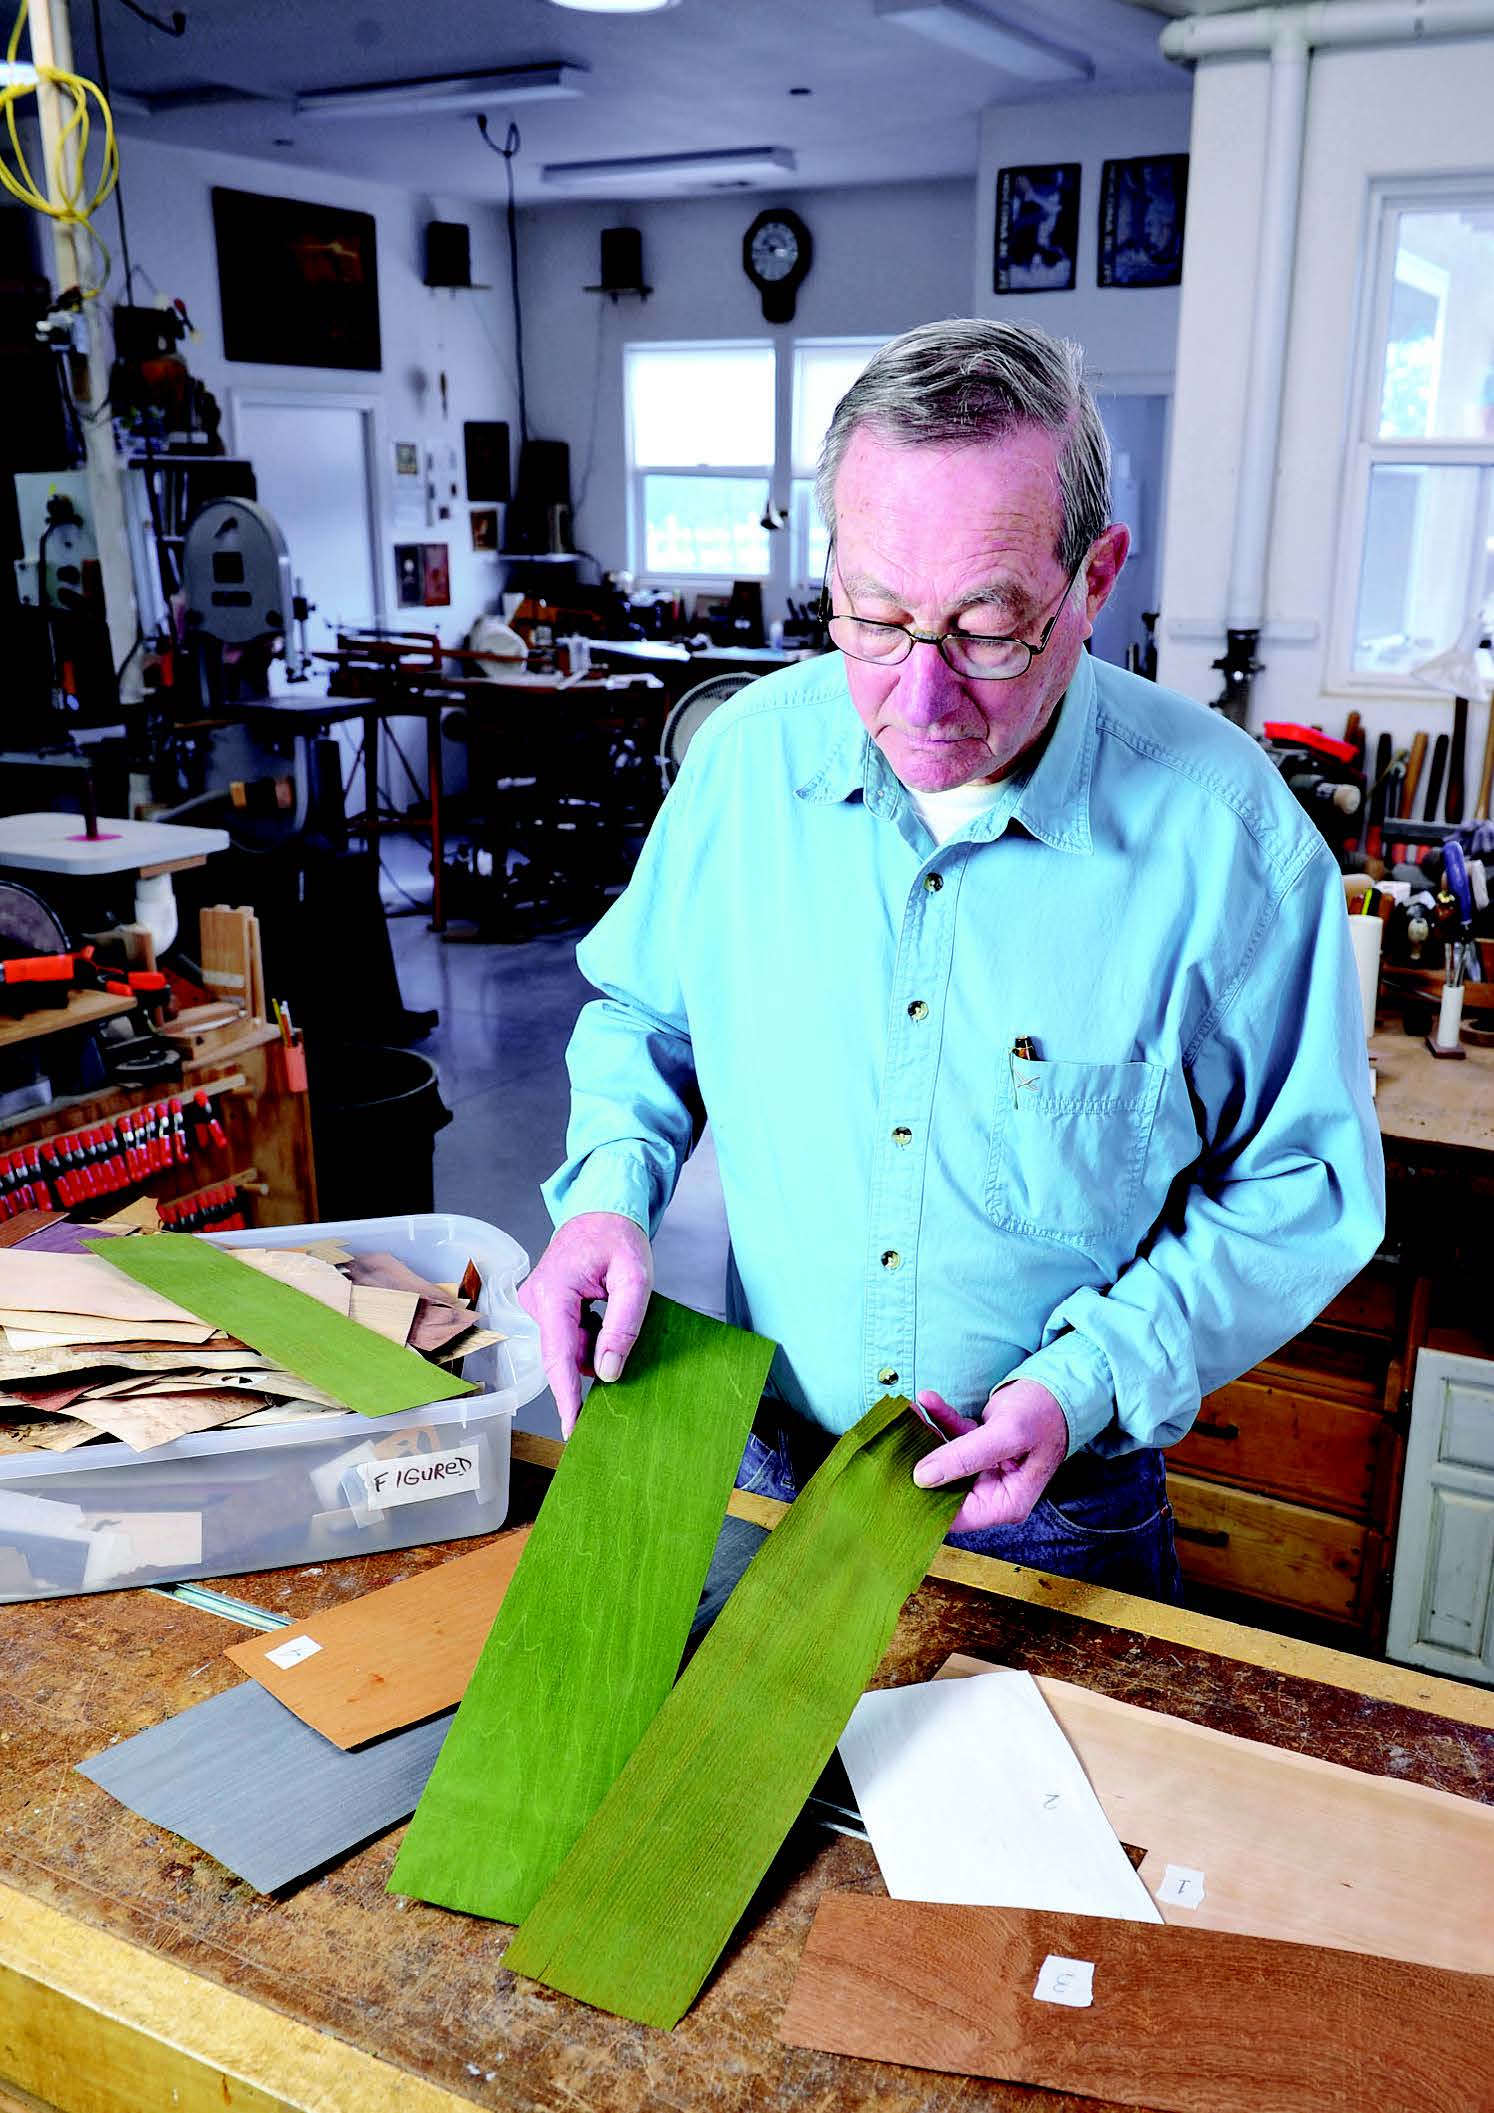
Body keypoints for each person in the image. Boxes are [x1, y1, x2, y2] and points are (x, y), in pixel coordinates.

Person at [518, 318, 1384, 1601]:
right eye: (870, 616)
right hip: (760, 1461)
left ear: (1095, 579)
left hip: (1051, 1507)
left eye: (987, 630)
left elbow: (1305, 1184)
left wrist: (1087, 1379)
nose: (918, 699)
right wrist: (606, 1190)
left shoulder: (1228, 840)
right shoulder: (747, 767)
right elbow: (644, 1017)